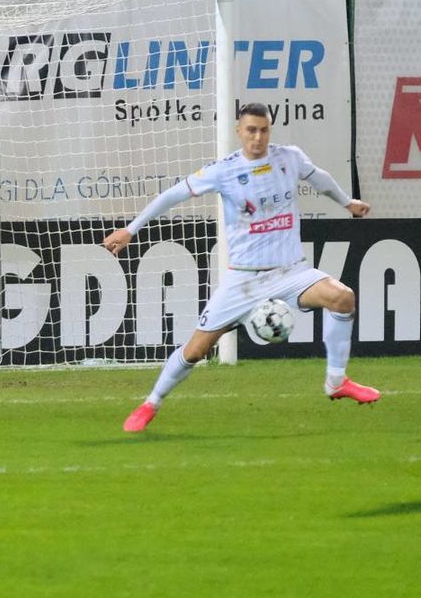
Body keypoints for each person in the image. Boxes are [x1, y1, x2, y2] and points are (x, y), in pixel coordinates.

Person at [103, 102, 380, 433]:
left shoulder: (288, 157)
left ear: (269, 131)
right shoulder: (224, 170)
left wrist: (346, 201)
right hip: (243, 282)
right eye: (251, 130)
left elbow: (319, 178)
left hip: (290, 272)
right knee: (196, 350)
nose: (257, 137)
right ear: (239, 131)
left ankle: (336, 381)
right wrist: (131, 229)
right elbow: (172, 195)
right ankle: (151, 403)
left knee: (343, 297)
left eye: (263, 130)